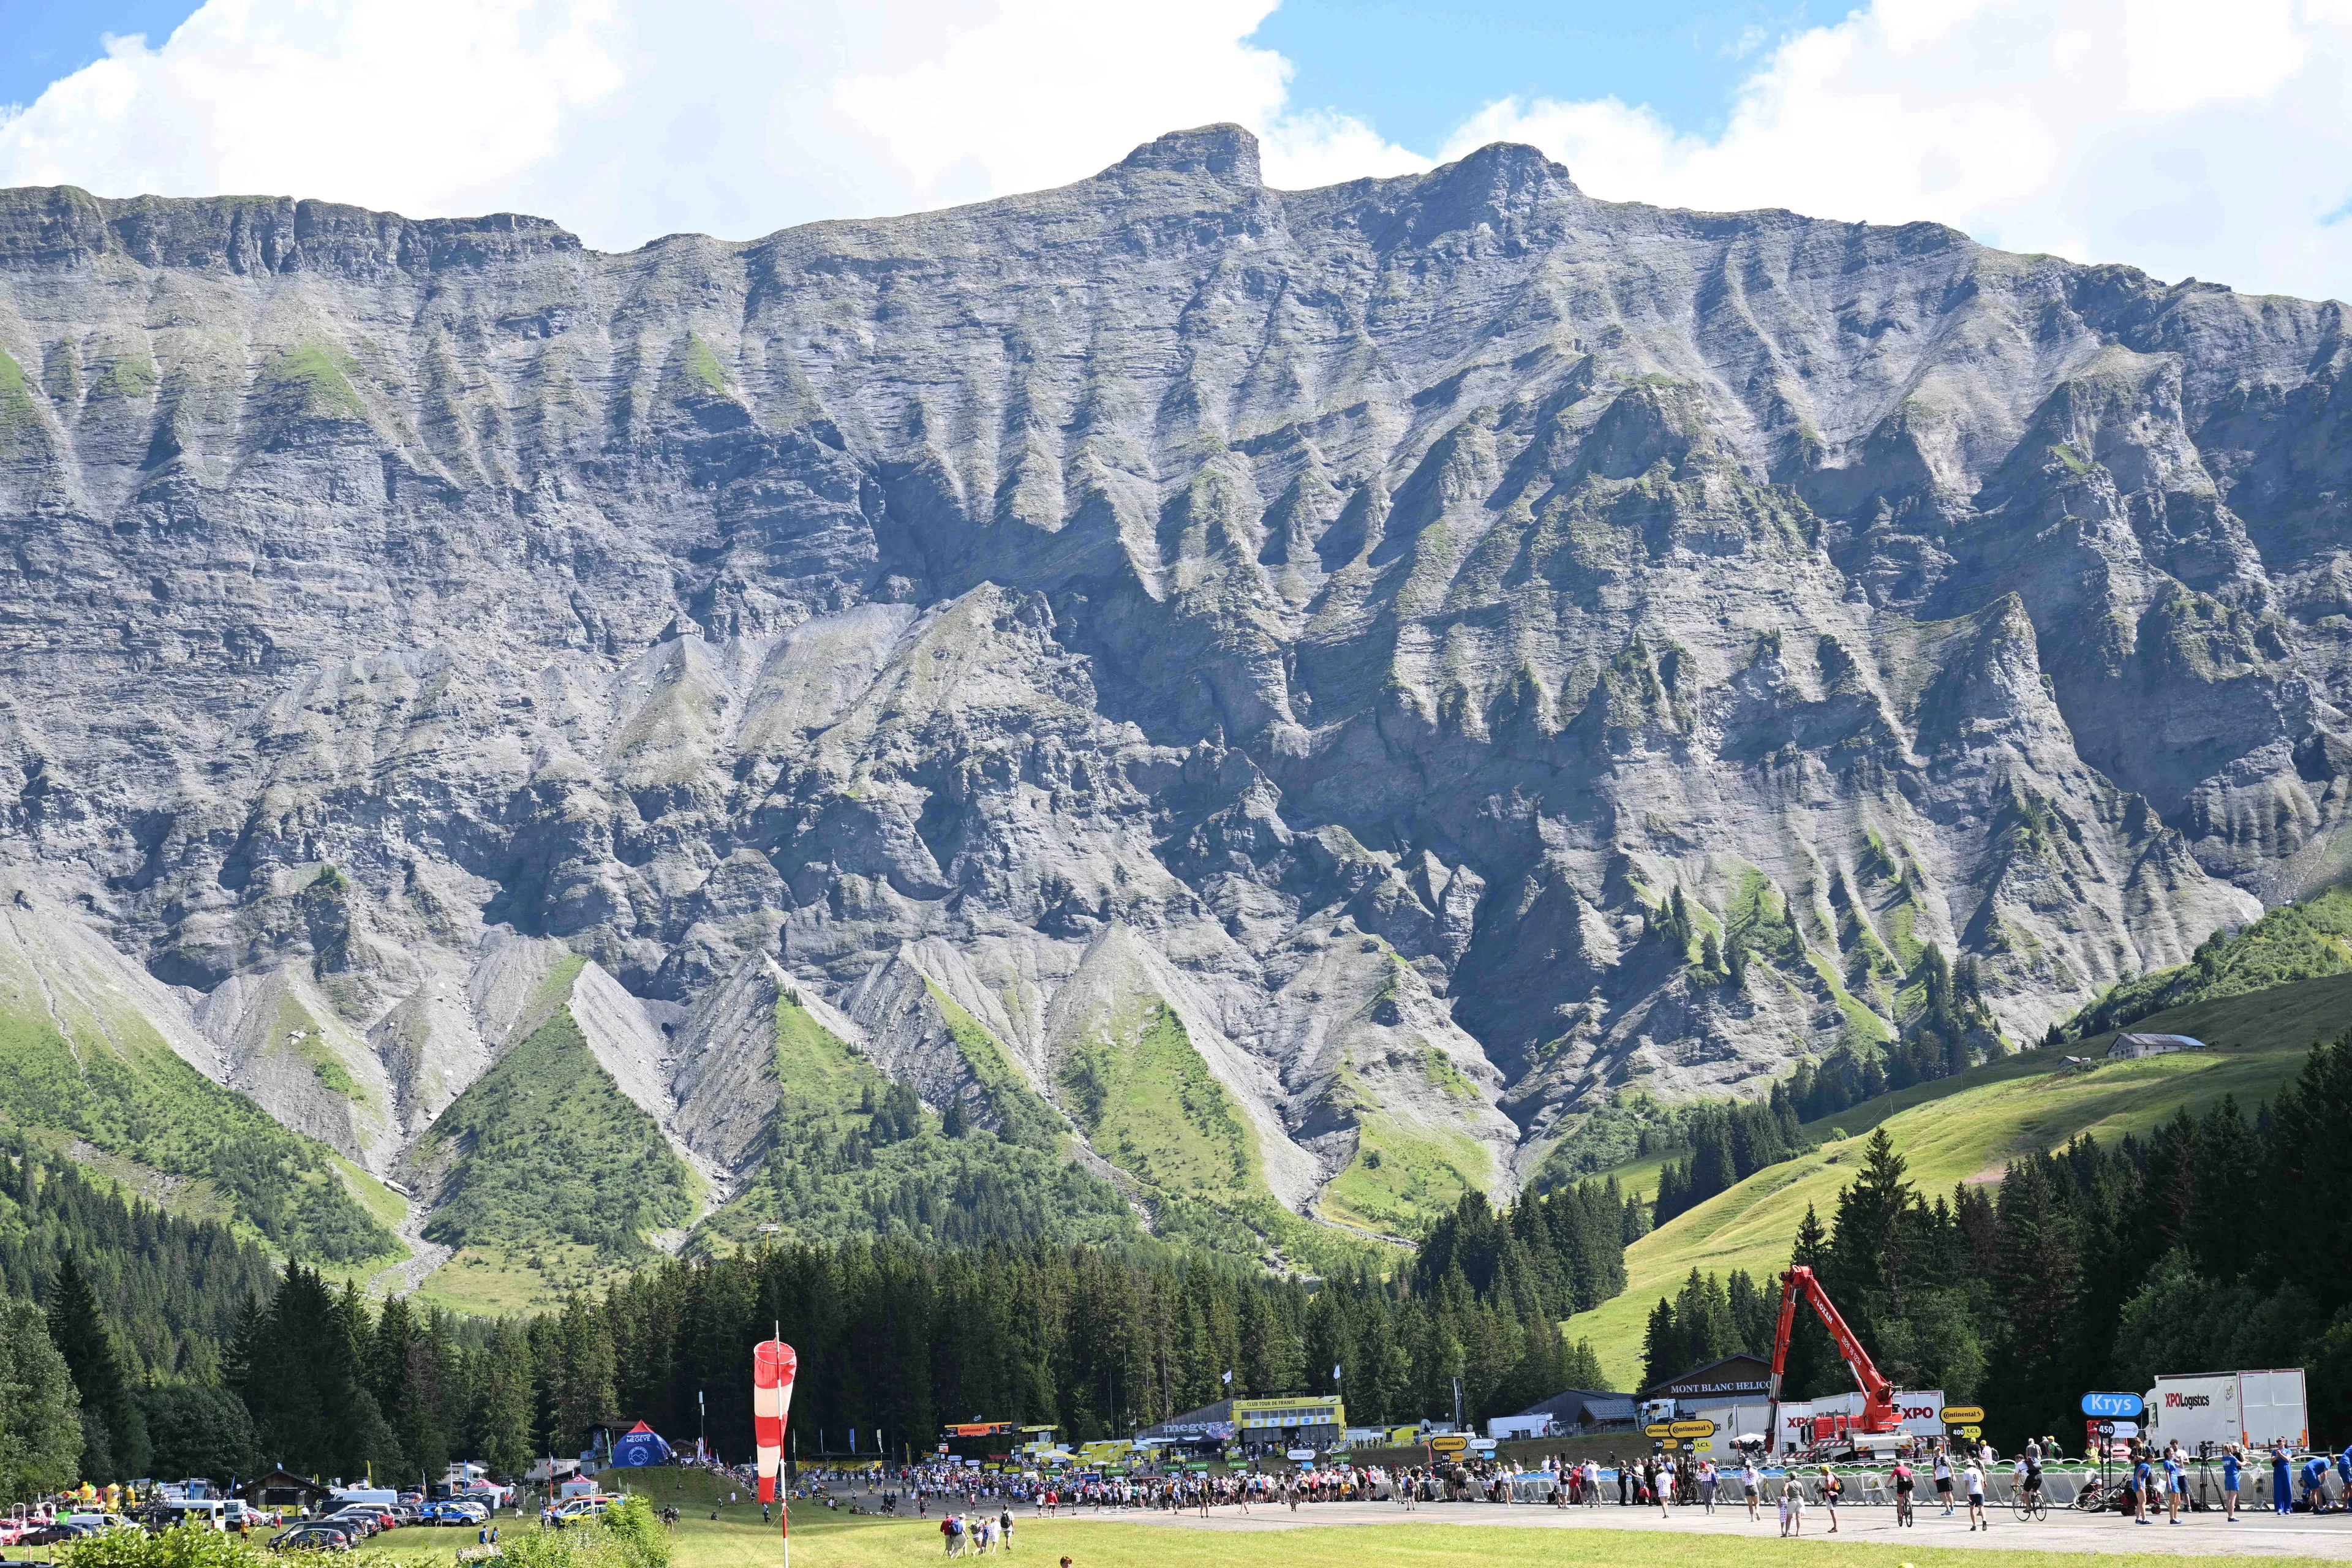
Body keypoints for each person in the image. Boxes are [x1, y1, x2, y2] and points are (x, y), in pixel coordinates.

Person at [1965, 1458, 1988, 1531]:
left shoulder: (1966, 1472)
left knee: (1972, 1508)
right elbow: (1982, 1483)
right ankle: (1984, 1520)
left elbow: (1967, 1484)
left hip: (1972, 1492)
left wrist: (1967, 1494)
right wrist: (1982, 1490)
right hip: (1979, 1491)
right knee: (1981, 1507)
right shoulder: (1978, 1471)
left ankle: (1974, 1525)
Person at [1934, 1444, 1955, 1515]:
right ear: (1935, 1452)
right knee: (1942, 1494)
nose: (1938, 1452)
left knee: (1948, 1493)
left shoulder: (1945, 1457)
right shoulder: (1933, 1460)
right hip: (1939, 1478)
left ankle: (1952, 1506)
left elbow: (1950, 1466)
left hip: (1946, 1477)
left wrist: (1953, 1475)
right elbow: (1934, 1470)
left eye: (1939, 1451)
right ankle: (1948, 1509)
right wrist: (1935, 1478)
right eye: (1937, 1451)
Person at [1820, 1466, 1841, 1533]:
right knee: (1833, 1510)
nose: (1821, 1472)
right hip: (1834, 1494)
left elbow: (1828, 1483)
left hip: (1830, 1495)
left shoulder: (1828, 1476)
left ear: (1825, 1470)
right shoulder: (1832, 1475)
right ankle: (1835, 1526)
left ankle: (1835, 1527)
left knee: (1832, 1511)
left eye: (1821, 1470)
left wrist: (1828, 1490)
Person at [2223, 1446, 2241, 1523]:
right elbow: (2240, 1464)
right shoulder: (2232, 1458)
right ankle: (2231, 1516)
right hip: (2234, 1477)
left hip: (2227, 1477)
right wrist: (2246, 1462)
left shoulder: (2223, 1459)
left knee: (2228, 1498)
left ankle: (2229, 1515)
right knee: (2233, 1498)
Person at [1742, 1457, 1761, 1521]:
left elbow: (1743, 1479)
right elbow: (1757, 1478)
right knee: (1757, 1503)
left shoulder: (1743, 1472)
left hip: (1747, 1487)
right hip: (1754, 1486)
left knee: (1750, 1504)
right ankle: (1757, 1512)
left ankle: (1752, 1518)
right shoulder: (1755, 1471)